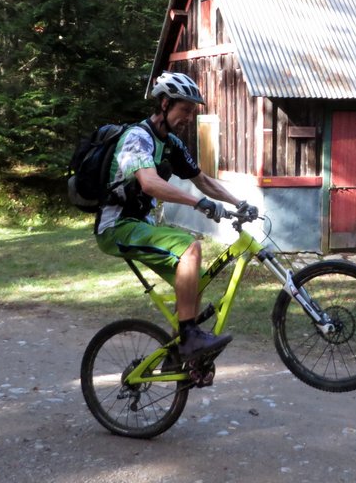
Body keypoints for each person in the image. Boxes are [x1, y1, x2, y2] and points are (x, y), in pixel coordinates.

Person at [96, 71, 257, 362]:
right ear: (165, 104)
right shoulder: (137, 138)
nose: (188, 118)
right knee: (189, 247)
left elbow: (202, 179)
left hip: (139, 226)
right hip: (117, 227)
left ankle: (179, 357)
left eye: (192, 113)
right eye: (184, 110)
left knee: (192, 282)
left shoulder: (172, 143)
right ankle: (190, 339)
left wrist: (239, 202)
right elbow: (149, 183)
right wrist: (199, 203)